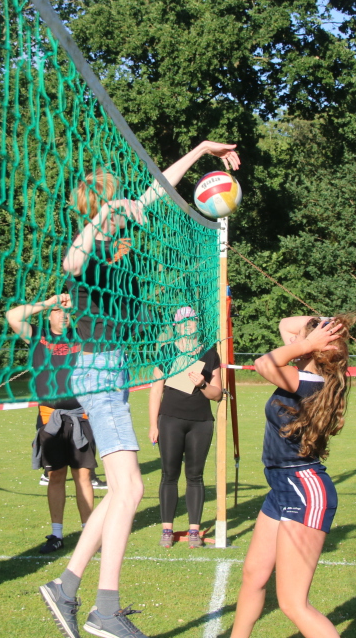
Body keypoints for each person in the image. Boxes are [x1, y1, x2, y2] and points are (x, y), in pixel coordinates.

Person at [40, 139, 241, 638]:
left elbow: (157, 188)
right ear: (99, 208)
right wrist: (102, 216)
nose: (124, 207)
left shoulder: (115, 242)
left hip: (110, 373)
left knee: (120, 492)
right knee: (130, 489)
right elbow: (69, 263)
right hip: (96, 371)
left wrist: (201, 150)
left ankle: (66, 588)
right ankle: (105, 610)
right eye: (113, 202)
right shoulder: (89, 251)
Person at [230, 315, 354, 638]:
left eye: (303, 340)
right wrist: (322, 326)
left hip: (304, 490)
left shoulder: (307, 382)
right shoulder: (305, 374)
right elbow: (286, 323)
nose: (294, 339)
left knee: (292, 603)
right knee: (254, 576)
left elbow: (262, 363)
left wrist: (309, 341)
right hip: (282, 488)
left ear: (313, 350)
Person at [6, 293, 96, 554]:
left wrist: (76, 306)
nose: (63, 315)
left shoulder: (81, 335)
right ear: (48, 315)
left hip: (80, 416)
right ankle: (56, 534)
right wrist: (48, 302)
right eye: (57, 311)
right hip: (51, 418)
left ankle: (88, 533)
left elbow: (99, 318)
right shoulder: (38, 335)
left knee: (83, 476)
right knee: (55, 476)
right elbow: (12, 316)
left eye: (65, 312)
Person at [147, 306, 224, 548]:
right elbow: (156, 391)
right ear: (176, 326)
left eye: (192, 320)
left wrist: (203, 384)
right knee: (169, 475)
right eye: (183, 321)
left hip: (201, 423)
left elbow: (217, 394)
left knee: (195, 476)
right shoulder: (167, 351)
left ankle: (194, 531)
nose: (188, 324)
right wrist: (153, 425)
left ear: (198, 323)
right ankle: (167, 530)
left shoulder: (210, 354)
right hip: (170, 420)